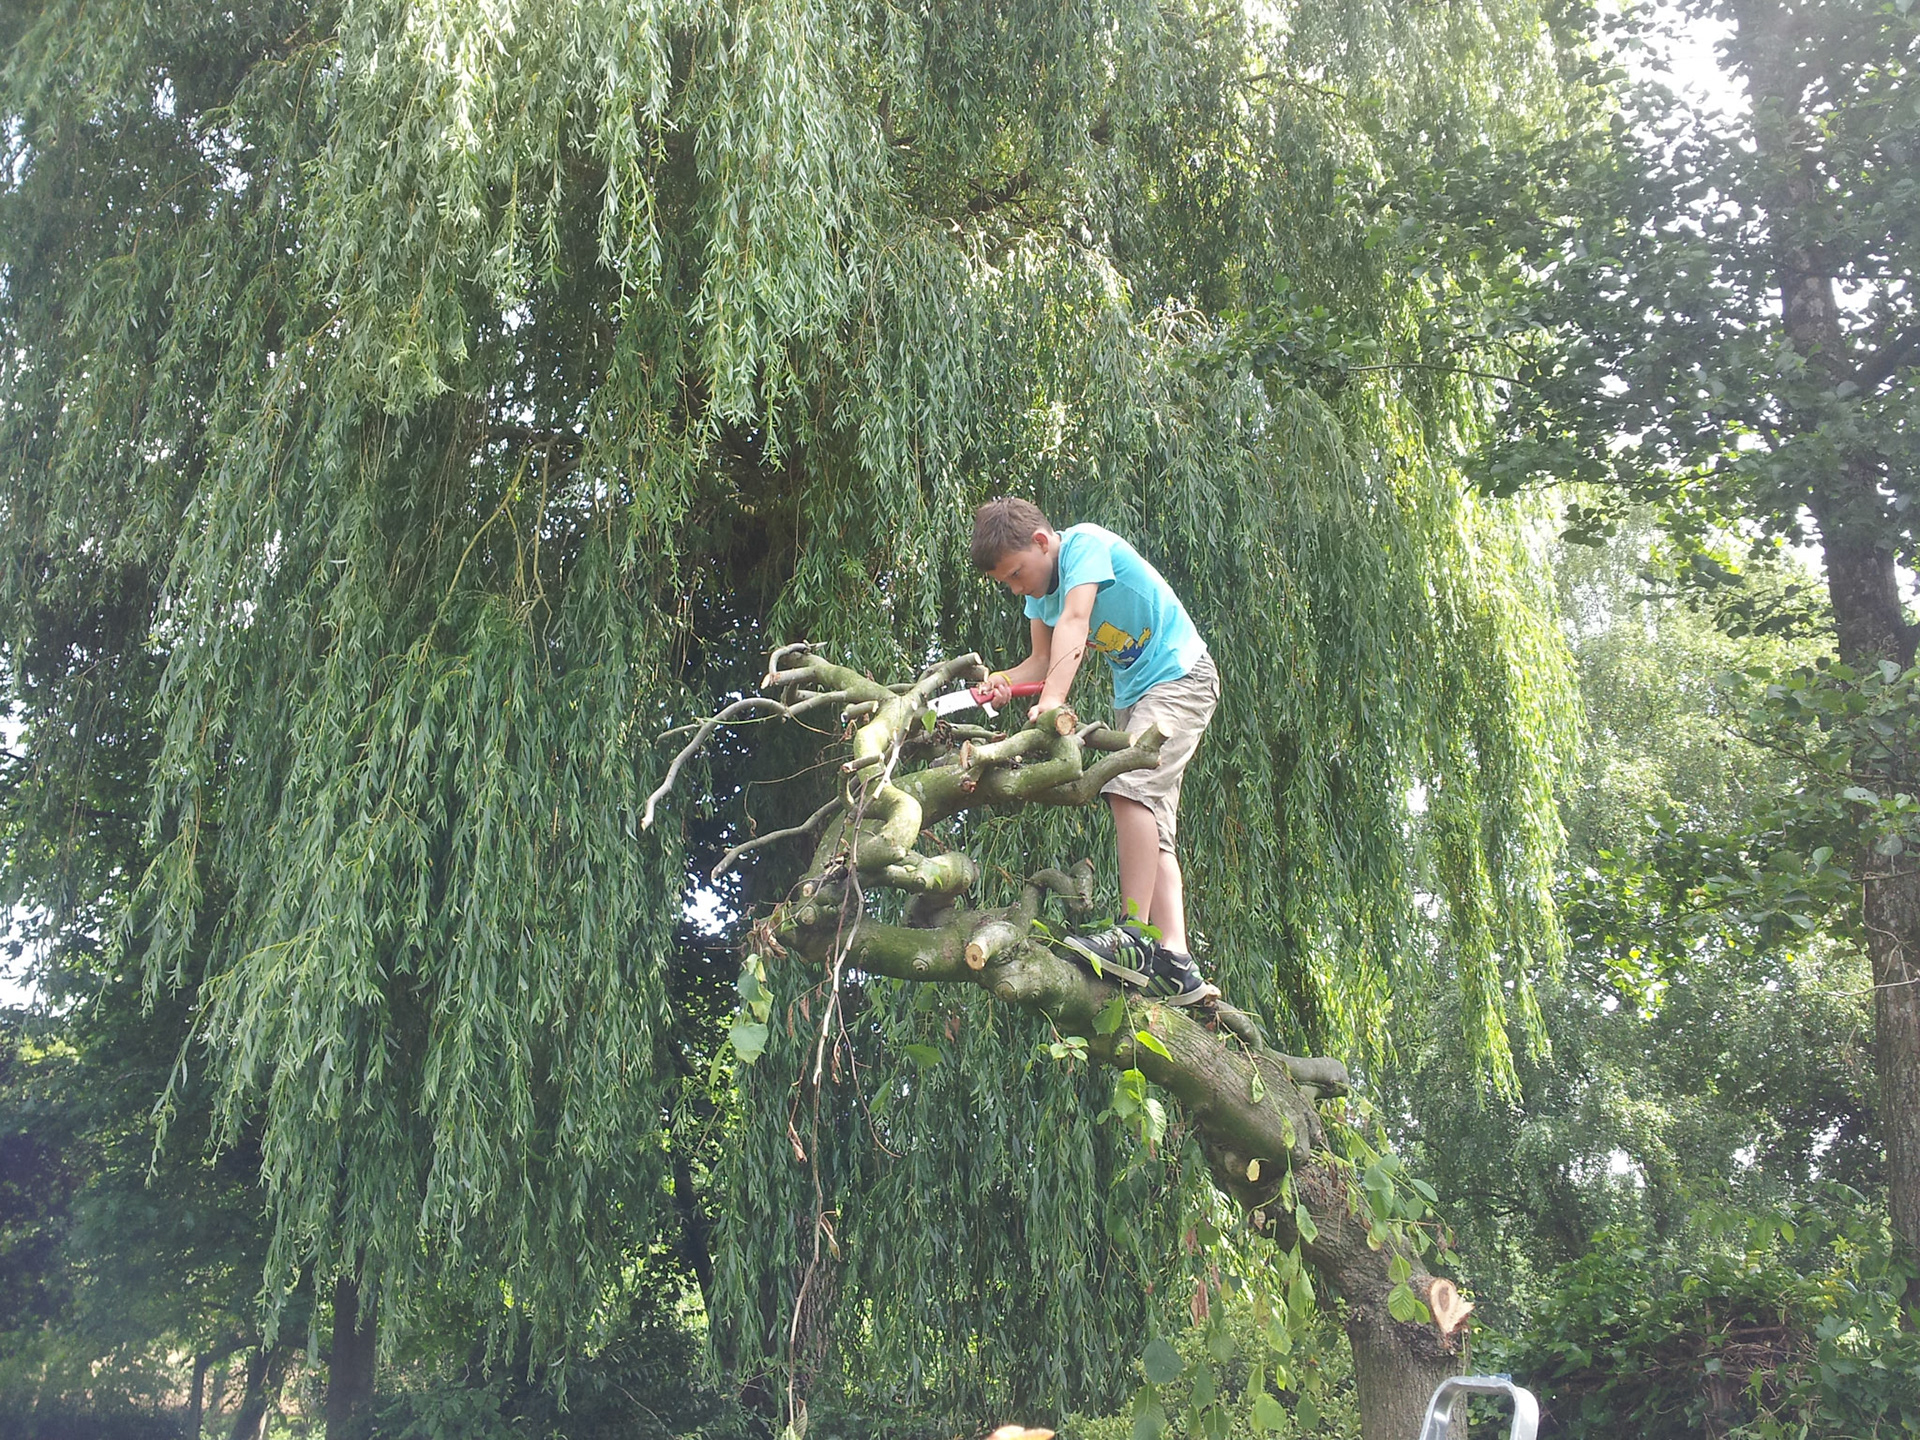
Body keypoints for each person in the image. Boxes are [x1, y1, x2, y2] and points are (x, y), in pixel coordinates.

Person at [971, 497, 1221, 1006]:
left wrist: (1053, 700)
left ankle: (1134, 935)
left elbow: (1076, 621)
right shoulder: (1039, 595)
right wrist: (1004, 681)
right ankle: (1176, 962)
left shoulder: (1084, 545)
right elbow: (1041, 661)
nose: (1016, 588)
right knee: (1152, 820)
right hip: (1138, 695)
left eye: (1016, 574)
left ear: (1042, 542)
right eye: (1006, 582)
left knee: (1129, 789)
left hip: (1180, 676)